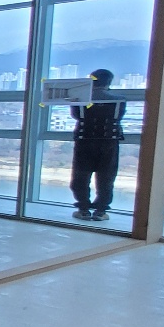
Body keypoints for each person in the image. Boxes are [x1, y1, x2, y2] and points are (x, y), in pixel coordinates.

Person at [70, 69, 125, 221]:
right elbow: (119, 117)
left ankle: (83, 209)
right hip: (109, 141)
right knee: (106, 177)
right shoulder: (119, 100)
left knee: (81, 175)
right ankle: (101, 210)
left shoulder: (81, 99)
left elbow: (76, 116)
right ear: (109, 82)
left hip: (85, 140)